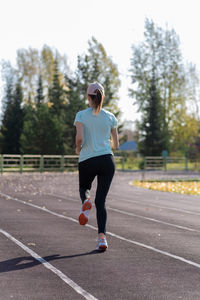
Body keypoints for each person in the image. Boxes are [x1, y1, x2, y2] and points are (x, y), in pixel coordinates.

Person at [74, 82, 119, 251]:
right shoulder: (110, 117)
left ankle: (86, 201)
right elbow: (116, 144)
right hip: (107, 160)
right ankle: (102, 239)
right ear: (103, 97)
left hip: (87, 159)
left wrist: (78, 149)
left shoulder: (81, 115)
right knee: (101, 201)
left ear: (88, 97)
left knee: (84, 187)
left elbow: (79, 138)